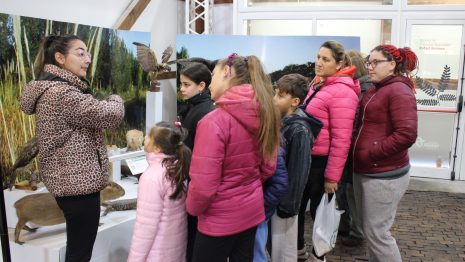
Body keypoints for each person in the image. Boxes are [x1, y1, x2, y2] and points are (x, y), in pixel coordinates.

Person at [20, 34, 124, 262]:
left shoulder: (52, 90)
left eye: (87, 53)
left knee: (78, 249)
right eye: (80, 53)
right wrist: (115, 98)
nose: (87, 59)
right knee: (79, 253)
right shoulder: (63, 94)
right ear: (59, 58)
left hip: (69, 184)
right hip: (78, 187)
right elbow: (111, 115)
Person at [186, 53, 281, 262]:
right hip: (250, 212)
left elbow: (203, 186)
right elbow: (268, 168)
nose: (210, 84)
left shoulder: (214, 122)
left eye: (214, 75)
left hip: (219, 219)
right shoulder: (265, 112)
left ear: (227, 73)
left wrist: (191, 208)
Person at [352, 44, 418, 262]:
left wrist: (371, 153)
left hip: (384, 174)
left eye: (375, 62)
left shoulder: (398, 90)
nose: (369, 67)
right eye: (368, 62)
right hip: (368, 170)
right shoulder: (377, 88)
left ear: (392, 65)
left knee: (378, 233)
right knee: (371, 231)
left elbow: (407, 134)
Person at [298, 40, 360, 262]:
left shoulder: (343, 91)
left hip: (322, 163)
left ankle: (319, 256)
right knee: (301, 210)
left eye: (325, 59)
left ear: (339, 63)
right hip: (308, 158)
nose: (319, 63)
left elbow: (342, 139)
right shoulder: (320, 84)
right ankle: (301, 253)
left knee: (320, 215)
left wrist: (332, 177)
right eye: (318, 57)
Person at [271, 74, 321, 261]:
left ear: (295, 101)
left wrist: (288, 206)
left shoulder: (299, 130)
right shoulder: (286, 122)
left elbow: (299, 173)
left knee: (283, 251)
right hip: (279, 199)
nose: (274, 99)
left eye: (280, 96)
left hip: (286, 204)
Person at [128, 121, 192, 262]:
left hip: (157, 253)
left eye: (149, 137)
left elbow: (145, 228)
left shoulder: (152, 177)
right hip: (175, 249)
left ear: (157, 148)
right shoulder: (176, 167)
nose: (145, 137)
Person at [178, 62, 214, 262]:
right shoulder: (194, 108)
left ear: (202, 86)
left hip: (196, 181)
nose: (181, 89)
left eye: (186, 85)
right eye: (181, 84)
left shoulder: (204, 112)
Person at [337, 50, 372, 246]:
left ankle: (356, 232)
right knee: (347, 190)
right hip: (355, 149)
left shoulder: (361, 90)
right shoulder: (366, 88)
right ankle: (347, 228)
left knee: (350, 191)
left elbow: (355, 123)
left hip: (353, 150)